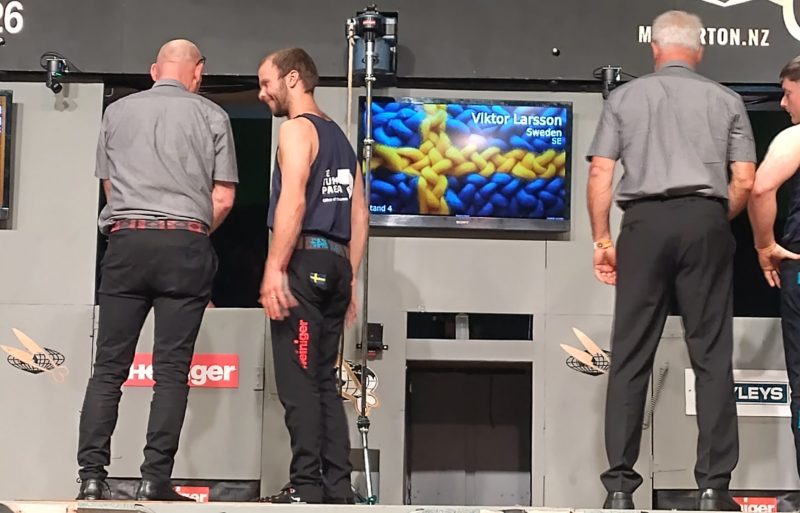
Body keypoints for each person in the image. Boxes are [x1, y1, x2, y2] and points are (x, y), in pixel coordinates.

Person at [586, 10, 756, 511]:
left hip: (643, 225)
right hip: (706, 221)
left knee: (630, 355)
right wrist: (712, 217)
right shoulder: (727, 100)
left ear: (655, 49)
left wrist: (602, 241)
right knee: (711, 355)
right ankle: (714, 488)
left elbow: (600, 173)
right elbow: (745, 179)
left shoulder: (624, 98)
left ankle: (619, 489)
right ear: (698, 50)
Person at [76, 39, 238, 501]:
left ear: (154, 71)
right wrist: (189, 229)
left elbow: (110, 187)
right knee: (171, 371)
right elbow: (224, 197)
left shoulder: (116, 113)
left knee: (108, 368)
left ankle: (92, 478)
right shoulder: (213, 116)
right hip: (185, 245)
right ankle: (154, 479)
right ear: (198, 71)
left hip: (127, 241)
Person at [255, 47, 368, 504]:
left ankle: (305, 487)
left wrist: (275, 267)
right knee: (323, 382)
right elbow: (360, 215)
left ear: (293, 78)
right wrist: (351, 279)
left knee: (299, 384)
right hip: (337, 267)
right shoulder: (340, 138)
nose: (262, 93)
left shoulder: (296, 130)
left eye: (266, 83)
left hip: (305, 265)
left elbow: (294, 201)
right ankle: (337, 490)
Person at [748, 55, 800, 486]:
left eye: (787, 93)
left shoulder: (796, 136)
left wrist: (765, 245)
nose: (783, 103)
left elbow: (761, 187)